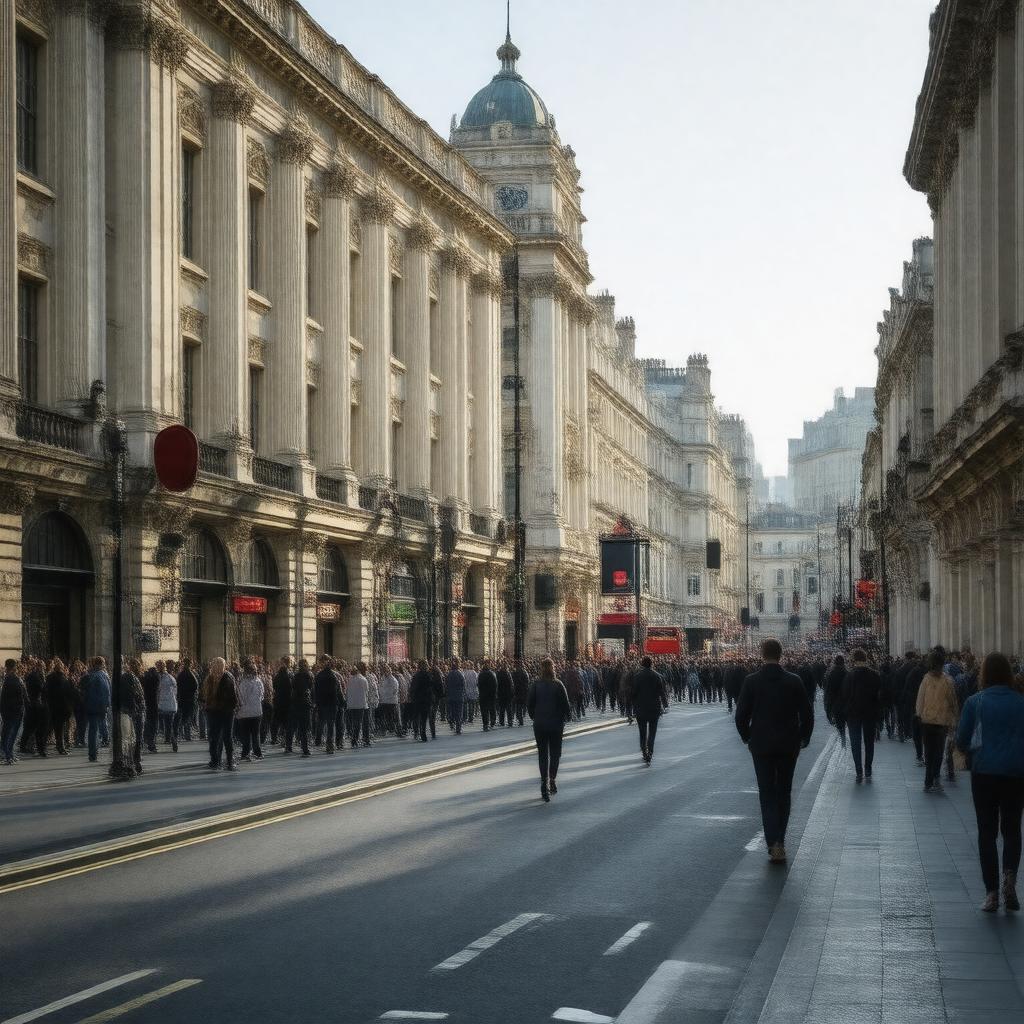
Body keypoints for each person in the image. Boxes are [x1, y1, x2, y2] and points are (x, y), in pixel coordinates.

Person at [735, 638, 814, 864]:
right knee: (784, 793)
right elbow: (807, 715)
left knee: (767, 794)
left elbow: (741, 716)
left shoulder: (752, 682)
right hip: (788, 744)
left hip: (761, 746)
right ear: (781, 655)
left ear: (762, 654)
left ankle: (773, 843)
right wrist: (804, 738)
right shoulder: (794, 681)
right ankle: (780, 838)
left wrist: (747, 737)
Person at [956, 653, 1024, 912]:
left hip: (984, 773)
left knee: (987, 832)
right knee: (1012, 829)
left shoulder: (975, 702)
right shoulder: (1021, 703)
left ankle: (992, 892)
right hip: (1016, 774)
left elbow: (962, 738)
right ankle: (1010, 880)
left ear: (984, 674)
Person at [527, 657, 571, 802]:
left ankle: (543, 782)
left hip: (539, 724)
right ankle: (552, 779)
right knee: (555, 753)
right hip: (556, 724)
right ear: (553, 668)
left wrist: (535, 717)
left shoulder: (535, 684)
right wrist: (567, 717)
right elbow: (566, 704)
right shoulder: (558, 684)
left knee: (542, 754)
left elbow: (530, 704)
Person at [915, 647, 958, 793]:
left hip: (927, 721)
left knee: (929, 751)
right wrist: (954, 719)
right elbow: (953, 702)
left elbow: (920, 700)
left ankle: (928, 780)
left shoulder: (926, 679)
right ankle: (935, 778)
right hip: (941, 722)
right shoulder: (948, 681)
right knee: (938, 752)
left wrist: (919, 714)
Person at [842, 649, 882, 783]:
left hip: (853, 713)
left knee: (855, 742)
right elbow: (878, 696)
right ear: (865, 659)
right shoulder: (875, 675)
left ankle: (859, 771)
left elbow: (845, 696)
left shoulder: (850, 675)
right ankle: (868, 769)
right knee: (869, 742)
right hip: (870, 713)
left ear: (854, 660)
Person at [203, 657, 239, 771]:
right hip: (220, 711)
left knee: (217, 736)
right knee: (221, 736)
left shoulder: (225, 678)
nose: (217, 667)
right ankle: (222, 761)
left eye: (219, 665)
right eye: (216, 665)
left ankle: (219, 761)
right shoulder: (211, 678)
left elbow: (232, 695)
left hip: (221, 711)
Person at [632, 656, 669, 765]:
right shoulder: (657, 676)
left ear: (642, 664)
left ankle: (644, 751)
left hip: (641, 708)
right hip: (654, 708)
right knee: (652, 732)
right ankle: (650, 752)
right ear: (651, 664)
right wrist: (665, 705)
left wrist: (633, 705)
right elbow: (662, 692)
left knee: (642, 732)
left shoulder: (637, 676)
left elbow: (633, 693)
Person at [80, 657, 111, 762]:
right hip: (100, 706)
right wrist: (106, 705)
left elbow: (82, 690)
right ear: (102, 664)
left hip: (90, 706)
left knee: (93, 731)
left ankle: (92, 753)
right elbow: (107, 692)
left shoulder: (88, 676)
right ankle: (94, 752)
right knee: (98, 730)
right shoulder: (104, 676)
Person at [236, 658, 265, 761]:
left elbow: (240, 697)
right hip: (257, 711)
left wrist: (241, 707)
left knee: (245, 734)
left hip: (244, 713)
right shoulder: (259, 682)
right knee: (256, 733)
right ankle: (258, 752)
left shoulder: (243, 682)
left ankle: (246, 752)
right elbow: (262, 696)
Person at [1, 659, 28, 765]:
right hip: (13, 711)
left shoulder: (13, 678)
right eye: (16, 666)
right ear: (13, 667)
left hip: (15, 711)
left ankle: (10, 754)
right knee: (9, 734)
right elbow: (11, 697)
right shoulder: (11, 679)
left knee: (13, 734)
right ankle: (8, 756)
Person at [289, 659, 315, 757]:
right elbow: (312, 689)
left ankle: (289, 745)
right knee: (304, 728)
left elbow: (293, 688)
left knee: (294, 726)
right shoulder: (309, 676)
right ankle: (305, 749)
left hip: (296, 704)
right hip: (305, 704)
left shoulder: (295, 676)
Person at [409, 660, 434, 742]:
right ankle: (423, 734)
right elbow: (431, 687)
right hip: (426, 699)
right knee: (424, 718)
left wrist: (412, 697)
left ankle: (416, 732)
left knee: (416, 716)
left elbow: (412, 688)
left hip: (417, 699)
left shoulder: (416, 676)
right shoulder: (428, 675)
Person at [157, 662, 179, 752]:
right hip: (170, 704)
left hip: (163, 704)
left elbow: (158, 691)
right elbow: (175, 691)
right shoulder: (171, 678)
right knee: (169, 724)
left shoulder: (161, 678)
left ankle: (170, 740)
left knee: (163, 724)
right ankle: (170, 740)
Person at [445, 659, 467, 735]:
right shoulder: (460, 674)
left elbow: (446, 685)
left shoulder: (448, 675)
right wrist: (464, 694)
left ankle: (451, 721)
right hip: (459, 696)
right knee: (459, 713)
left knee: (452, 711)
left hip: (450, 696)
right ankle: (458, 728)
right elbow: (464, 685)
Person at [478, 659, 498, 731]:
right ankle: (492, 721)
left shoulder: (480, 674)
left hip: (483, 695)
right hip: (491, 695)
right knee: (492, 709)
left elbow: (479, 685)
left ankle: (485, 725)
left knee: (484, 711)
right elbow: (495, 685)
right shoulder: (492, 674)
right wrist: (495, 694)